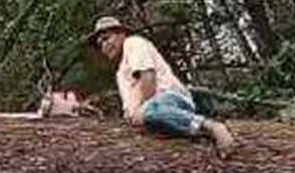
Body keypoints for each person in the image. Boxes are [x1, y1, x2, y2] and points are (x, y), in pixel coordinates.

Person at [89, 16, 236, 158]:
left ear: (122, 34)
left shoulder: (133, 43)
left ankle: (212, 126)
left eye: (107, 38)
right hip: (155, 113)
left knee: (150, 113)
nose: (104, 45)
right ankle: (191, 129)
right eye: (100, 43)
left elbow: (148, 77)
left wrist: (142, 109)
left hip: (168, 98)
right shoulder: (120, 72)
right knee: (149, 121)